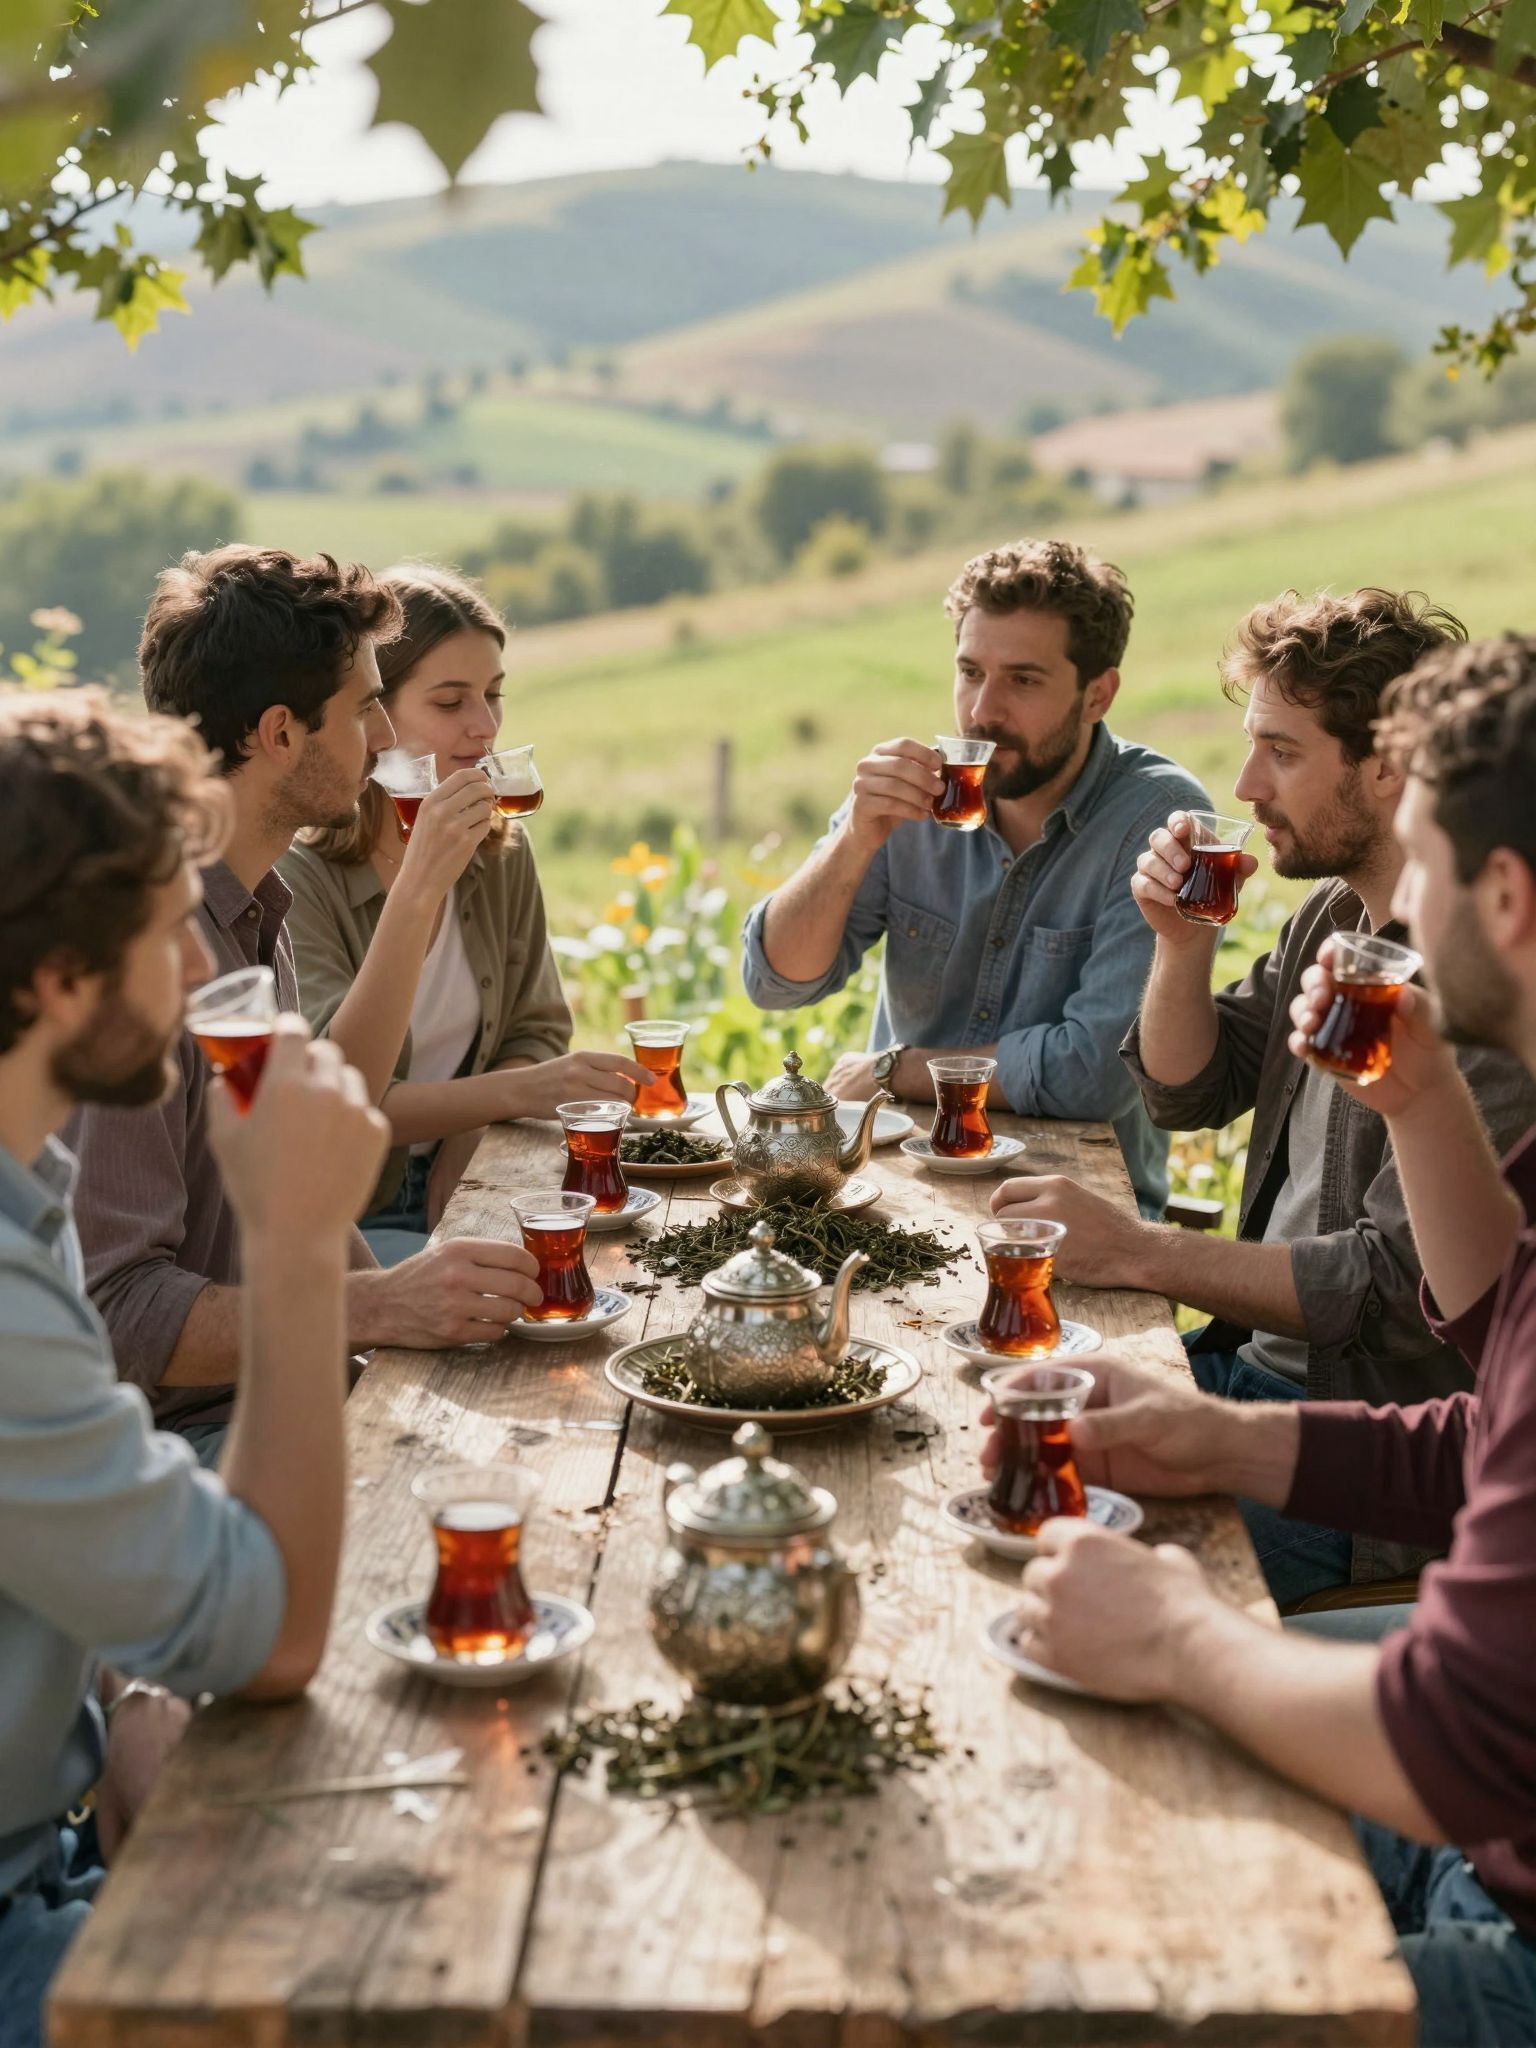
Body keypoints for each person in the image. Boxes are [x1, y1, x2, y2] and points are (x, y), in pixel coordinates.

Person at [991, 633, 1536, 2048]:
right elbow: (1495, 1413)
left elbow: (1458, 1734)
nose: (1397, 905)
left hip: (1500, 1892)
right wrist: (1223, 1431)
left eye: (1421, 858)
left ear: (1509, 900)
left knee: (1061, 2006)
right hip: (1483, 1847)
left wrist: (1181, 1637)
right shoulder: (1414, 1021)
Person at [990, 588, 1535, 1603]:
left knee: (1032, 1541)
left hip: (1356, 1472)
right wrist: (1180, 946)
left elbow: (1397, 1300)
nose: (1247, 784)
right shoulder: (1335, 914)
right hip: (1256, 1384)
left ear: (1387, 769)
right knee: (999, 1421)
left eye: (1282, 752)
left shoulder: (1482, 997)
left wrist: (1141, 1249)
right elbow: (1191, 1088)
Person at [0, 690, 391, 2048]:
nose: (196, 958)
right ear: (60, 981)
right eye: (169, 924)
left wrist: (128, 1689)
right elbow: (274, 1637)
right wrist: (294, 1250)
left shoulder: (26, 1180)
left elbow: (59, 1517)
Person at [66, 546, 544, 1465]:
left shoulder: (254, 915)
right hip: (172, 1447)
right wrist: (382, 1310)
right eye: (367, 707)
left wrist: (403, 1313)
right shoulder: (143, 958)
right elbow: (117, 1311)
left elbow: (302, 1203)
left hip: (279, 1384)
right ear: (279, 734)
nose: (382, 737)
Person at [740, 538, 1210, 1216]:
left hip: (1080, 1206)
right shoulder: (911, 795)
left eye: (1023, 680)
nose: (984, 711)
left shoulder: (1158, 818)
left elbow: (1095, 1074)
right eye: (969, 673)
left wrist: (891, 1070)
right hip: (900, 1190)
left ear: (1096, 695)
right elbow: (776, 982)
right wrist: (855, 840)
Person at [278, 565, 649, 1264]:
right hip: (352, 1217)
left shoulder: (499, 847)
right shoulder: (299, 878)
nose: (485, 726)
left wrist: (468, 1135)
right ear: (374, 716)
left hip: (490, 1171)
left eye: (494, 695)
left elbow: (537, 1028)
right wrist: (509, 1095)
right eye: (450, 702)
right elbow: (344, 1097)